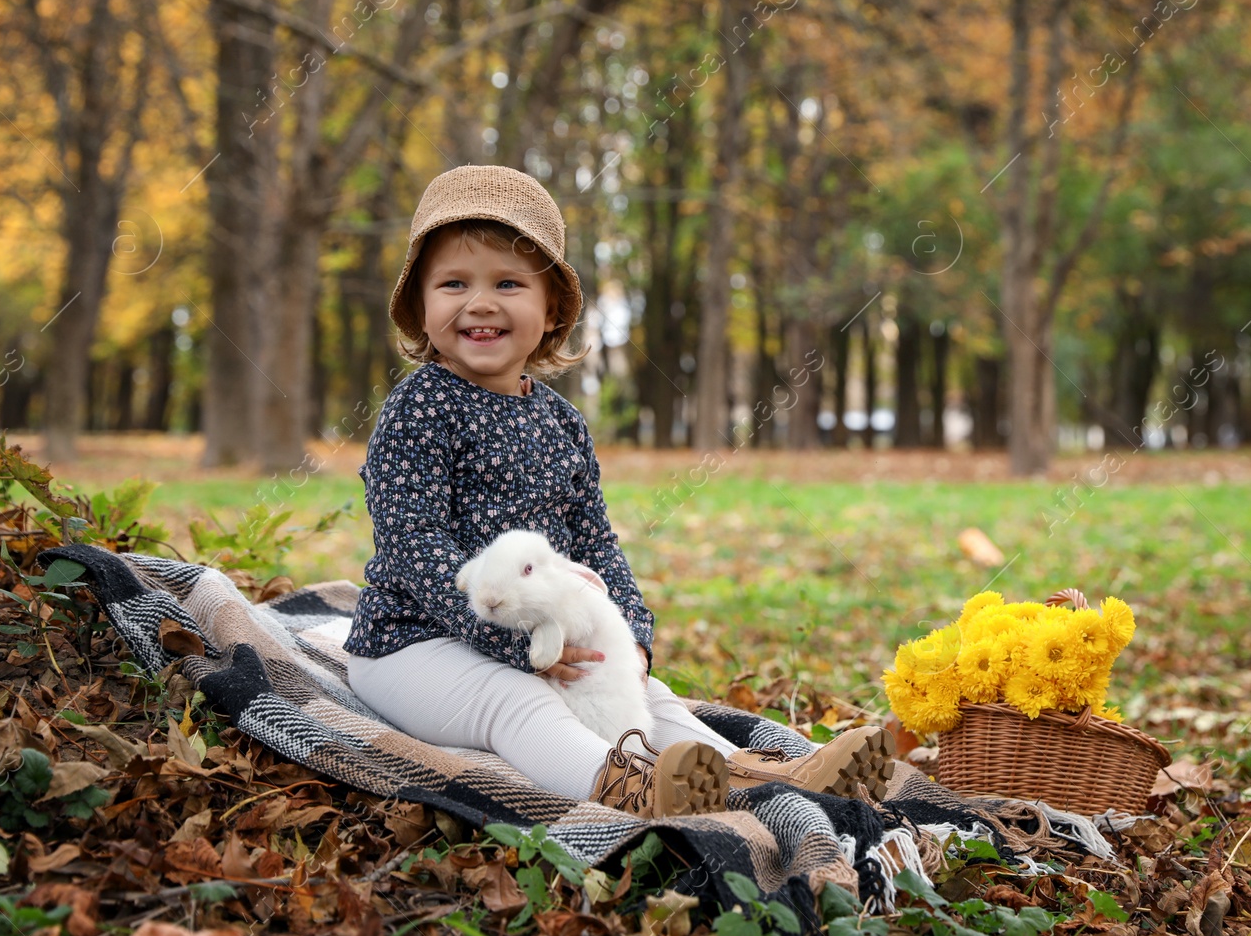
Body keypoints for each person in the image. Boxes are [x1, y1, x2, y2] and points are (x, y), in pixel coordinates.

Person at [344, 165, 895, 818]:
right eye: (454, 283)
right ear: (421, 304)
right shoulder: (421, 406)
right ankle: (627, 787)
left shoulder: (560, 422)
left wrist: (629, 634)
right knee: (518, 701)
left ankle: (763, 776)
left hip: (543, 636)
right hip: (414, 644)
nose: (480, 302)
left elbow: (593, 538)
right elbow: (414, 542)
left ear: (550, 309)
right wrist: (514, 646)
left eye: (508, 283)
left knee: (647, 695)